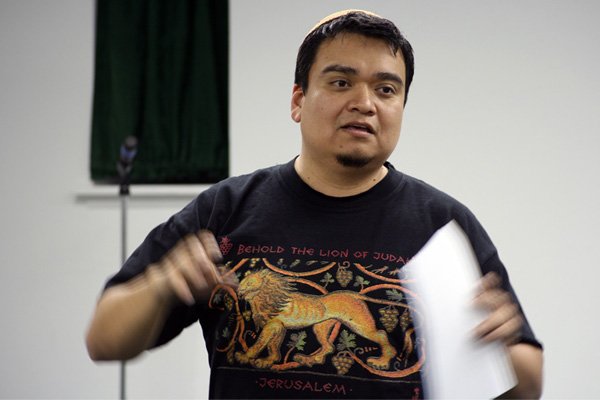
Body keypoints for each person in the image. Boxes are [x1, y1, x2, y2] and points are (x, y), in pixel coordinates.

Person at [86, 10, 543, 399]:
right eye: (341, 82)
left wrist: (501, 348)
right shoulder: (225, 209)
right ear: (298, 101)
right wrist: (161, 284)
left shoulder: (441, 224)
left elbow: (527, 385)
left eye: (386, 90)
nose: (364, 103)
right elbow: (104, 339)